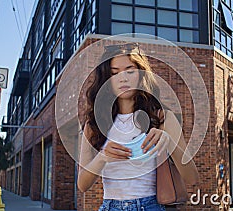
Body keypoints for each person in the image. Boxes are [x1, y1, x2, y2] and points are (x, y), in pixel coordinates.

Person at [77, 42, 199, 211]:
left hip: (150, 206)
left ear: (141, 74)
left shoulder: (161, 117)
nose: (123, 78)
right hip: (109, 206)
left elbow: (192, 177)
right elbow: (82, 185)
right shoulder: (95, 124)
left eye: (130, 70)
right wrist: (103, 157)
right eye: (114, 73)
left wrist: (168, 142)